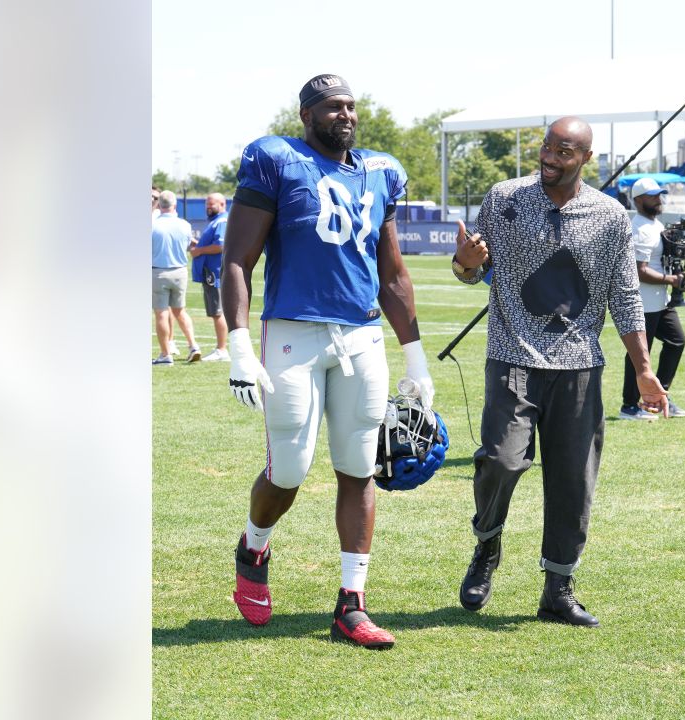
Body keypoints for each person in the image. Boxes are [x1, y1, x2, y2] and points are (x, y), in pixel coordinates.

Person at [221, 73, 435, 650]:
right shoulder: (276, 159)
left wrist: (416, 359)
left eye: (351, 106)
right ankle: (254, 543)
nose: (346, 115)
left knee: (359, 463)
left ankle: (351, 604)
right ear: (307, 114)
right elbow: (238, 260)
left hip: (361, 334)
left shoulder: (379, 171)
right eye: (333, 106)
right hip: (293, 329)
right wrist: (239, 343)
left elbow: (392, 274)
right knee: (290, 467)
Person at [450, 116, 670, 627]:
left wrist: (643, 370)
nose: (550, 157)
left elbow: (624, 295)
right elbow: (473, 270)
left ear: (585, 158)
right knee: (502, 461)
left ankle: (558, 587)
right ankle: (487, 544)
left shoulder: (611, 216)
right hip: (513, 356)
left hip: (579, 366)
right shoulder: (504, 198)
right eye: (547, 146)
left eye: (564, 151)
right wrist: (464, 263)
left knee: (574, 482)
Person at [619, 177, 685, 420]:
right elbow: (640, 269)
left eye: (660, 194)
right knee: (640, 353)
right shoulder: (639, 228)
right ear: (638, 200)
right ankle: (629, 405)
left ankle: (661, 395)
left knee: (676, 341)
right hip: (643, 302)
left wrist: (676, 276)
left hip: (661, 300)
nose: (658, 199)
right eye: (652, 195)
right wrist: (670, 280)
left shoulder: (656, 224)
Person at [151, 190, 202, 364]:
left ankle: (165, 354)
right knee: (180, 311)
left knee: (161, 314)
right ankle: (193, 345)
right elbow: (188, 244)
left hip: (159, 271)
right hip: (180, 271)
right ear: (175, 205)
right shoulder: (185, 225)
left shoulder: (152, 225)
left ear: (159, 205)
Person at [189, 193, 230, 362]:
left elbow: (220, 245)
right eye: (207, 204)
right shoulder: (216, 221)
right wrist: (197, 244)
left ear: (222, 204)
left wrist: (199, 251)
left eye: (211, 204)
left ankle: (221, 349)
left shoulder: (221, 221)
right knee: (215, 312)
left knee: (217, 312)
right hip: (211, 272)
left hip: (215, 273)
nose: (208, 207)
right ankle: (221, 348)